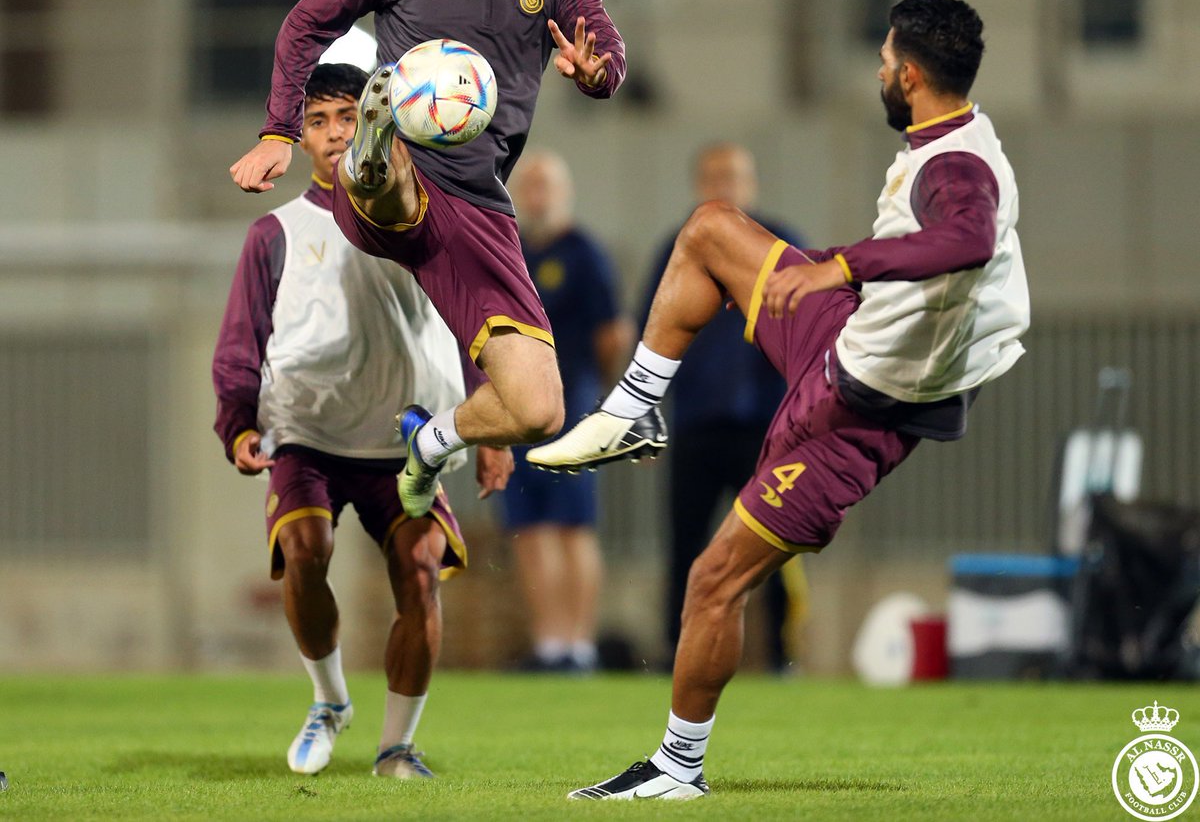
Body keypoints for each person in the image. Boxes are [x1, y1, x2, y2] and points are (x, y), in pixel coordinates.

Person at [529, 0, 1030, 799]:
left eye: (883, 60)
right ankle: (631, 411)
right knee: (709, 229)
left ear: (908, 74)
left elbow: (968, 238)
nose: (878, 71)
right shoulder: (952, 139)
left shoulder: (956, 165)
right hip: (844, 337)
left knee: (714, 579)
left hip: (861, 411)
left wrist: (843, 265)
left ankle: (678, 768)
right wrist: (841, 273)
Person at [227, 0, 628, 525]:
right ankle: (378, 128)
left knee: (538, 410)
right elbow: (305, 23)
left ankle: (430, 441)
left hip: (478, 208)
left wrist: (598, 72)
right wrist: (279, 132)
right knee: (395, 179)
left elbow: (607, 53)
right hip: (395, 182)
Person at [212, 63, 511, 780]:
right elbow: (240, 342)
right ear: (300, 137)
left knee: (420, 572)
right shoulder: (274, 232)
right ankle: (329, 699)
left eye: (348, 116)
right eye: (317, 121)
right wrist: (237, 424)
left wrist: (494, 425)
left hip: (406, 439)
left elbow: (475, 321)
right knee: (305, 552)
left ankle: (396, 748)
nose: (335, 133)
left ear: (377, 121)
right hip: (306, 433)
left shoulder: (423, 218)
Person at [641, 143, 807, 673]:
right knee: (684, 544)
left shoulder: (781, 244)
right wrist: (644, 412)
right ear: (699, 186)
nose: (725, 186)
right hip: (695, 426)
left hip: (767, 428)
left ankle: (781, 657)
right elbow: (651, 335)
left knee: (776, 544)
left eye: (734, 176)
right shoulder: (678, 251)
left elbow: (813, 328)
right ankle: (675, 653)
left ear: (752, 183)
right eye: (715, 176)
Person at [503, 150, 632, 673]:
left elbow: (613, 333)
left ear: (565, 192)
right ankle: (549, 643)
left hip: (571, 404)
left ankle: (579, 644)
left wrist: (599, 397)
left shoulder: (584, 253)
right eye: (530, 185)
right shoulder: (512, 251)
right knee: (530, 527)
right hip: (515, 407)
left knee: (572, 524)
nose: (539, 195)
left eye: (547, 185)